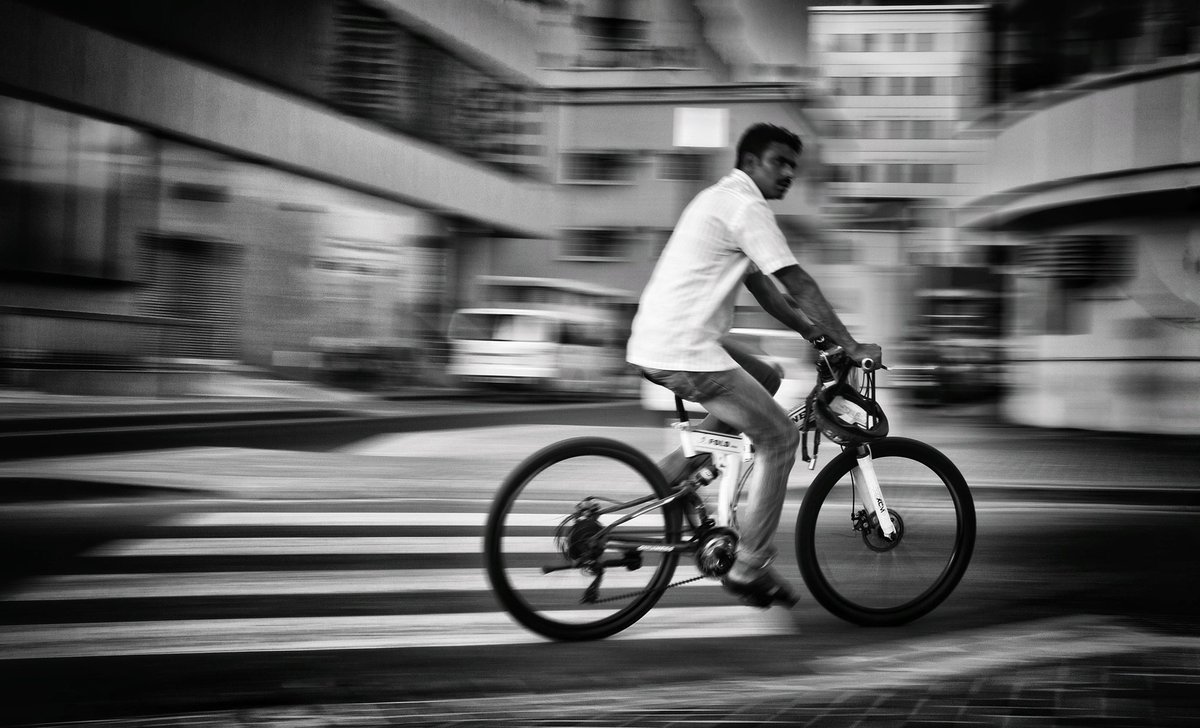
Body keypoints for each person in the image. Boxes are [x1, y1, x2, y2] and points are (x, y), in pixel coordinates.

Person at [626, 123, 883, 609]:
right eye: (779, 162)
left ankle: (673, 478)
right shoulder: (746, 206)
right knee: (779, 438)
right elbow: (798, 282)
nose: (788, 173)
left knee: (767, 376)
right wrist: (848, 344)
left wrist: (816, 335)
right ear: (750, 162)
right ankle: (749, 567)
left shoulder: (719, 200)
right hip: (685, 349)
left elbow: (766, 290)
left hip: (665, 340)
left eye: (793, 165)